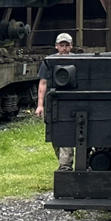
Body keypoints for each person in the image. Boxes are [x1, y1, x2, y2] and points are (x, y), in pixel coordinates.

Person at [36, 32, 75, 171]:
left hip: (70, 101)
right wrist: (40, 105)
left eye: (66, 45)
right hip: (53, 101)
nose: (64, 48)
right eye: (61, 45)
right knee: (54, 135)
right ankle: (63, 159)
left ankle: (65, 164)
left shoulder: (78, 61)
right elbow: (43, 83)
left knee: (66, 131)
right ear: (56, 46)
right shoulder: (49, 62)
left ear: (71, 46)